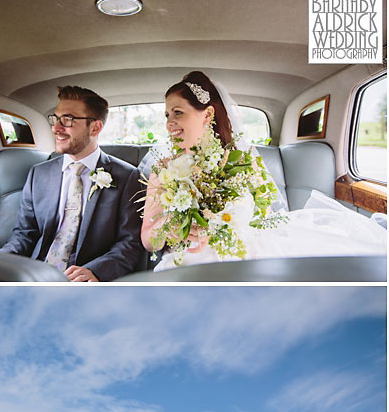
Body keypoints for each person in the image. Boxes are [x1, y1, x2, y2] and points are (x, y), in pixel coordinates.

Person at [142, 70, 387, 271]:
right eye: (166, 115)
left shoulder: (241, 160)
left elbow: (265, 215)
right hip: (188, 258)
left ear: (207, 114)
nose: (169, 122)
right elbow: (148, 239)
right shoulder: (163, 168)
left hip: (243, 251)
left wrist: (224, 225)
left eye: (178, 112)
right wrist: (177, 229)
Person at [0, 86, 145, 281]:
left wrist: (97, 271)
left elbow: (130, 242)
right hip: (34, 273)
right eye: (55, 119)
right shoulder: (38, 174)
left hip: (84, 278)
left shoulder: (128, 177)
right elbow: (24, 233)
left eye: (67, 120)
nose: (56, 128)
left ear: (95, 127)